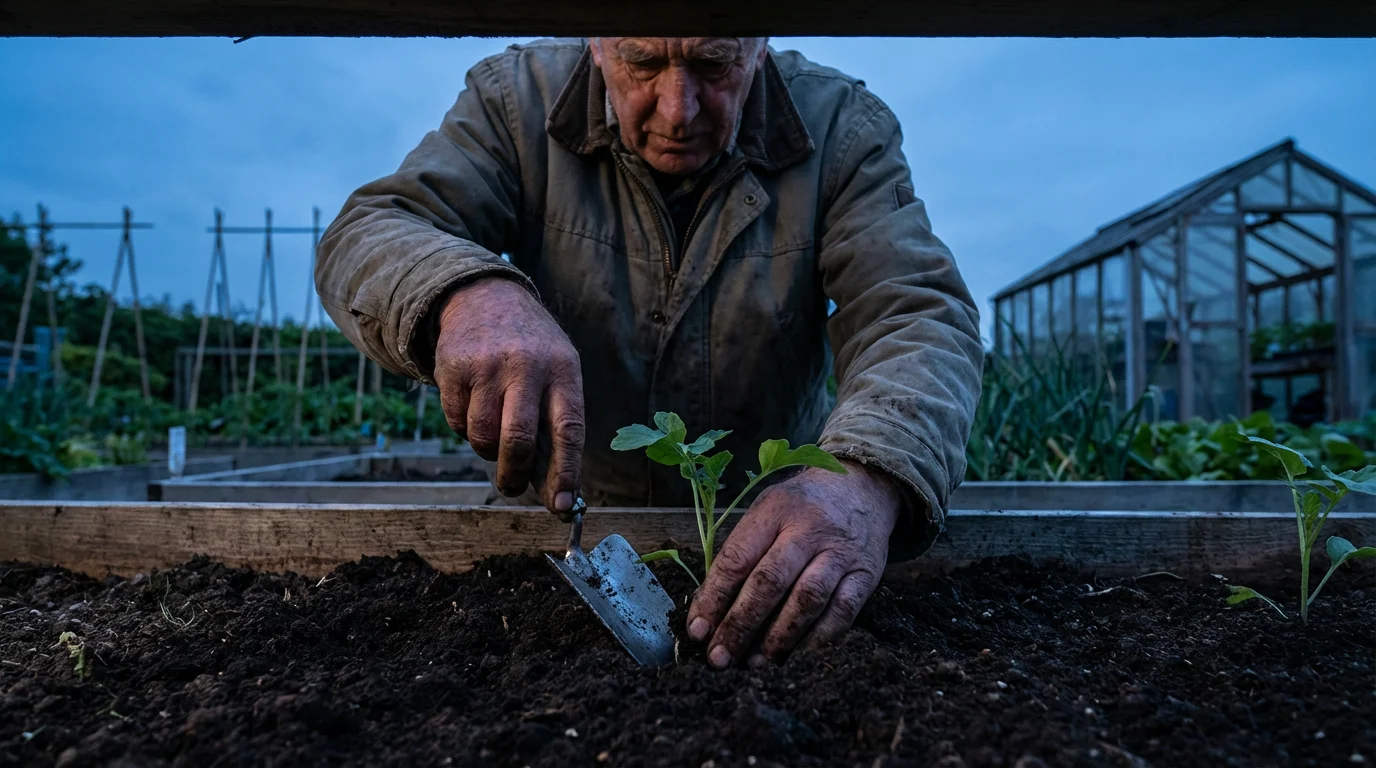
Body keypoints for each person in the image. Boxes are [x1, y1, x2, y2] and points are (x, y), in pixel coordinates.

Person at [317, 37, 983, 669]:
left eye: (714, 64)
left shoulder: (839, 129)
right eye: (641, 62)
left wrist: (865, 477)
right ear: (596, 42)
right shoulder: (516, 102)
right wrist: (466, 291)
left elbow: (917, 311)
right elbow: (372, 229)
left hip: (771, 542)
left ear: (758, 45)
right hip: (554, 543)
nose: (677, 110)